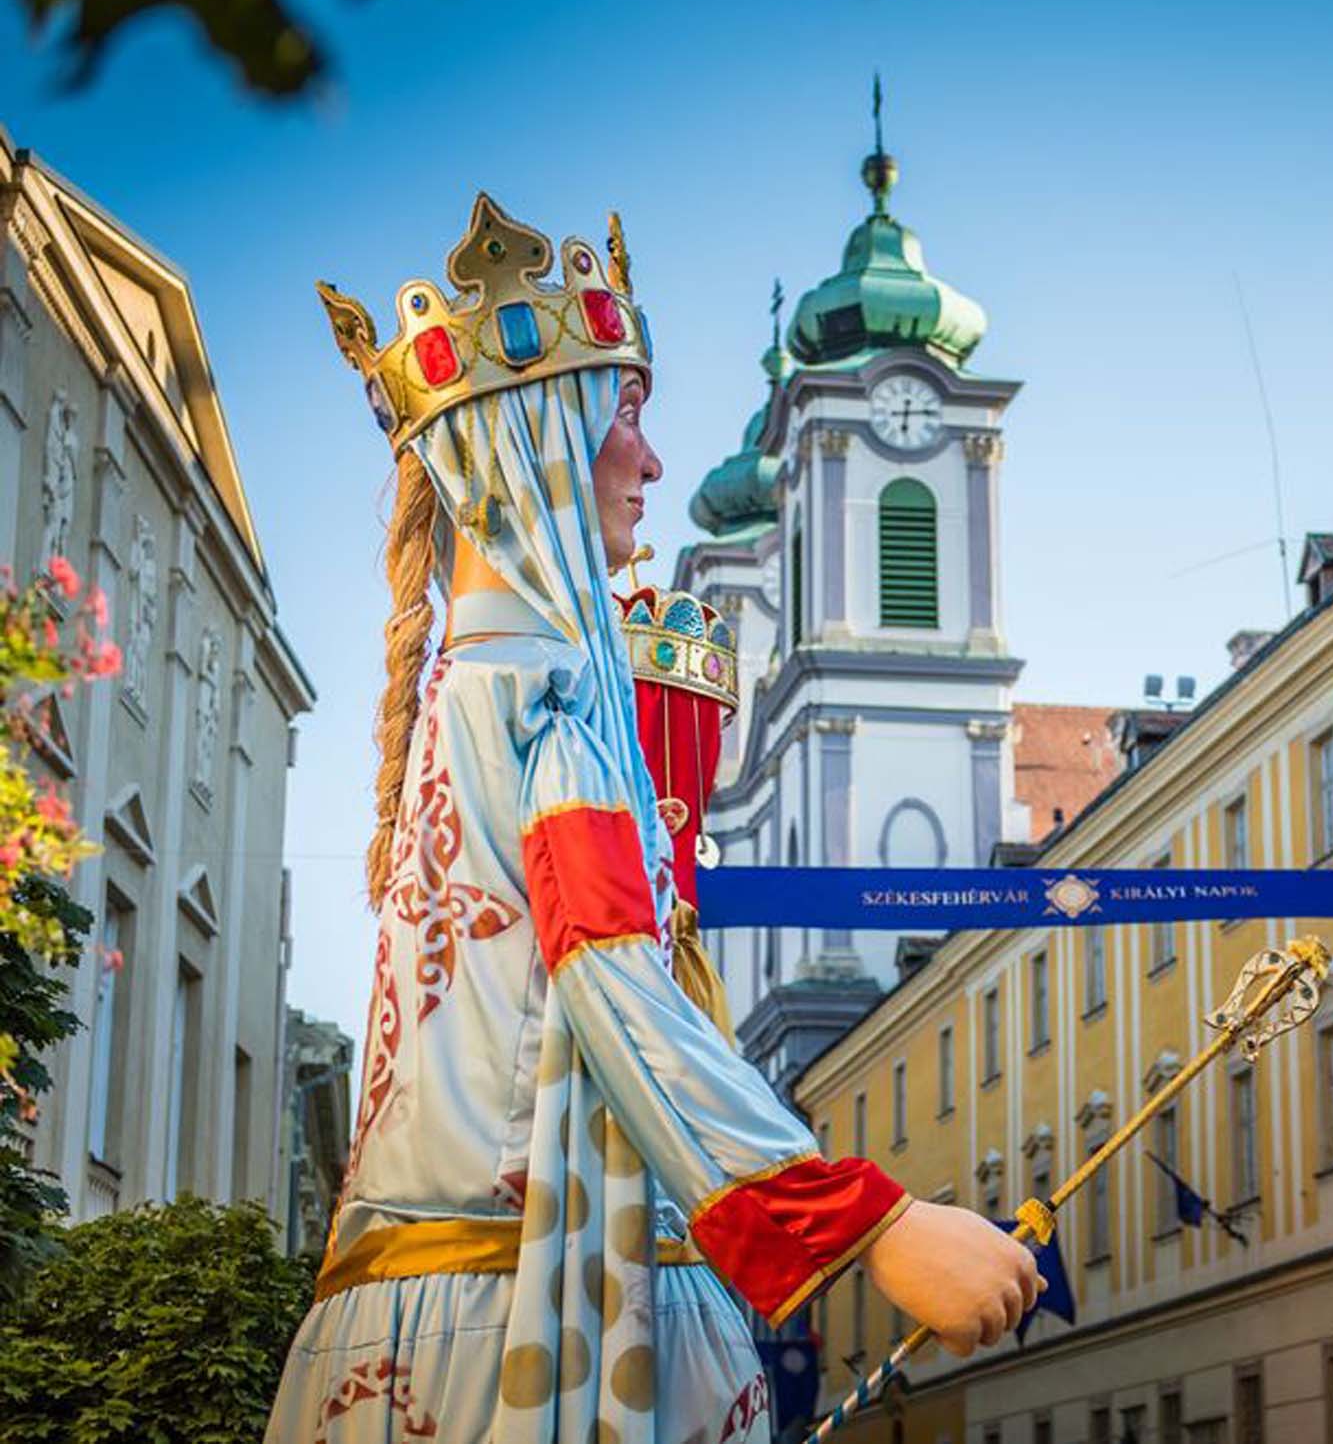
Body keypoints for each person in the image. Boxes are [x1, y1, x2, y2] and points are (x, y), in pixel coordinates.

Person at [269, 195, 1037, 1442]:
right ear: (544, 442)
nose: (653, 462)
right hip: (519, 1335)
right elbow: (611, 977)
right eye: (624, 415)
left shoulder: (471, 677)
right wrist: (878, 1224)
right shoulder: (551, 693)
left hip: (428, 1322)